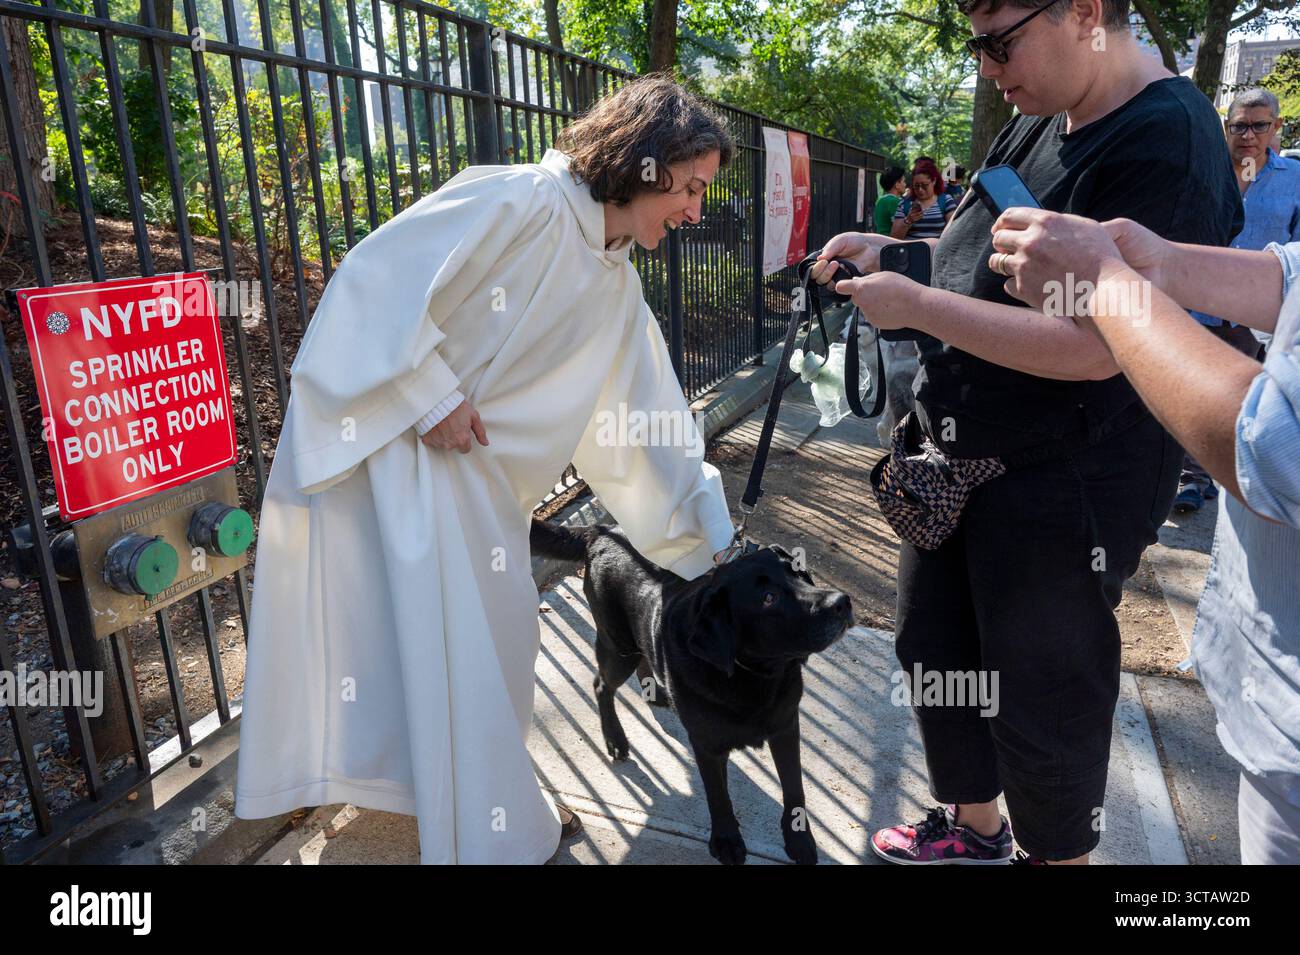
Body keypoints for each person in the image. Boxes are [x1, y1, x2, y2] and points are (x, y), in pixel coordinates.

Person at [233, 76, 739, 864]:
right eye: (693, 187)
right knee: (443, 654)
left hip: (478, 497)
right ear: (648, 160)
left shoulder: (615, 281)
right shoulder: (519, 201)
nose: (696, 211)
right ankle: (489, 831)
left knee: (491, 651)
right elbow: (369, 283)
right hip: (399, 467)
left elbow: (648, 426)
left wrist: (707, 538)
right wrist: (424, 392)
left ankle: (466, 810)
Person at [812, 0, 1242, 865]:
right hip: (955, 451)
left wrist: (918, 306)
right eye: (975, 43)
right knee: (936, 644)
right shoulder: (1036, 118)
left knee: (1041, 688)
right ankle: (976, 830)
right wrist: (895, 256)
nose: (986, 66)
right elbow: (984, 263)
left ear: (1083, 10)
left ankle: (1061, 858)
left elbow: (1098, 347)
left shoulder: (1168, 140)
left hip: (1065, 475)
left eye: (999, 40)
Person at [990, 207, 1300, 864]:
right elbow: (1293, 276)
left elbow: (1273, 443)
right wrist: (1163, 264)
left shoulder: (1167, 132)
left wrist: (1103, 280)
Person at [1173, 88, 1300, 513]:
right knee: (1191, 390)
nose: (1247, 135)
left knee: (1241, 397)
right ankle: (1192, 476)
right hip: (1194, 304)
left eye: (1258, 125)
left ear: (1276, 127)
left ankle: (1213, 471)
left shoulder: (1294, 179)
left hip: (1253, 315)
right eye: (1238, 125)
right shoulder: (1201, 171)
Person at [891, 158, 955, 240]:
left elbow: (953, 232)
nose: (920, 190)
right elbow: (894, 238)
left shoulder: (946, 201)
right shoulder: (904, 204)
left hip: (936, 252)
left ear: (934, 181)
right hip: (911, 251)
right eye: (916, 186)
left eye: (924, 185)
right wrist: (908, 220)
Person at [875, 166, 908, 234]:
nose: (905, 184)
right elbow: (900, 226)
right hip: (891, 241)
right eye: (903, 181)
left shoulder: (880, 201)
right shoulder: (894, 201)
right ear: (897, 185)